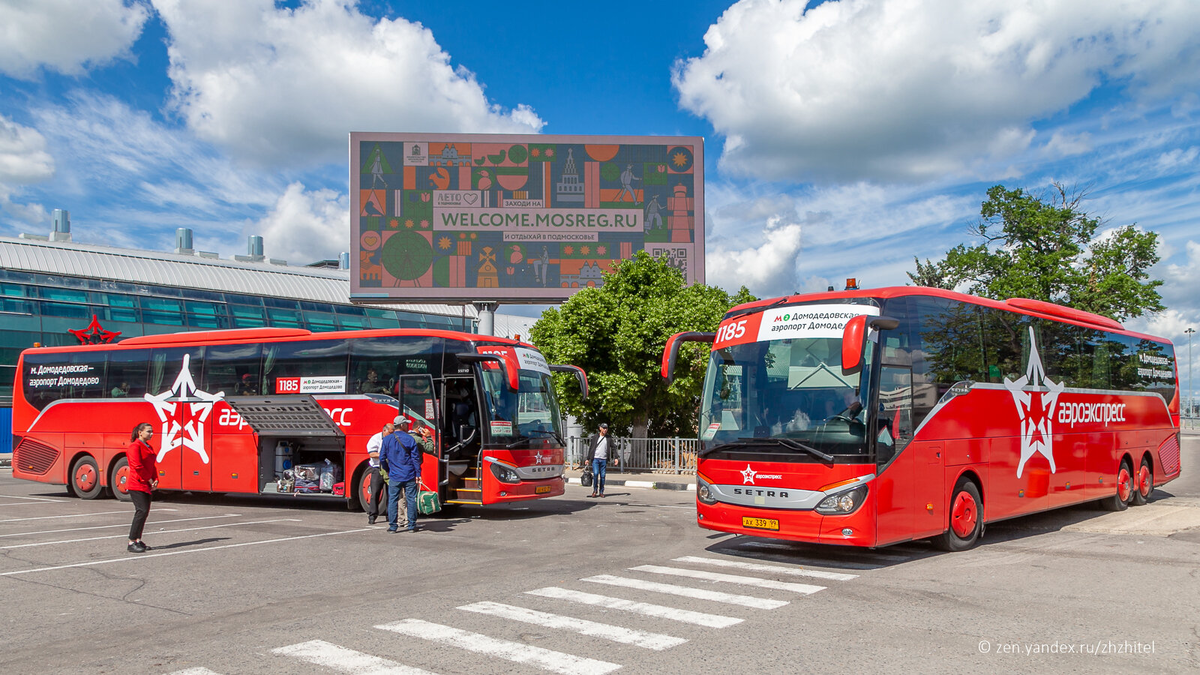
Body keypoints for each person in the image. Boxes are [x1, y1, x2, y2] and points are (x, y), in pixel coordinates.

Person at [378, 416, 431, 532]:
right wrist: (418, 473)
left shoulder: (386, 440)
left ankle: (393, 526)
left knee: (393, 500)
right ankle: (411, 526)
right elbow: (415, 458)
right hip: (409, 474)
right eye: (406, 424)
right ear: (402, 425)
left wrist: (387, 469)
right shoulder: (410, 439)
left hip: (394, 475)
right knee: (411, 499)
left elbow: (382, 458)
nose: (407, 426)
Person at [125, 422, 159, 553]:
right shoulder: (135, 446)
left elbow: (151, 465)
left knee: (144, 512)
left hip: (145, 484)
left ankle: (138, 539)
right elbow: (137, 466)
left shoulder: (148, 446)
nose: (151, 434)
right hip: (137, 484)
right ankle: (131, 541)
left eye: (151, 431)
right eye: (148, 431)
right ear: (140, 432)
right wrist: (149, 480)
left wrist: (155, 479)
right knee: (141, 511)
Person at [364, 421, 394, 524]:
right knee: (375, 492)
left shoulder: (393, 439)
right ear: (384, 431)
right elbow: (372, 454)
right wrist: (383, 455)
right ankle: (372, 515)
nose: (392, 434)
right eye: (390, 432)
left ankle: (390, 515)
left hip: (390, 468)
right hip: (378, 468)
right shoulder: (375, 439)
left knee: (391, 493)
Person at [586, 423, 617, 498]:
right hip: (595, 459)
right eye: (603, 428)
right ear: (600, 428)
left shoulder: (608, 438)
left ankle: (601, 491)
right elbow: (591, 448)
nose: (605, 430)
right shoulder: (595, 437)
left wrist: (616, 458)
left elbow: (614, 447)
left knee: (603, 476)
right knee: (596, 474)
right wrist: (588, 459)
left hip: (603, 459)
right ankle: (595, 490)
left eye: (606, 428)